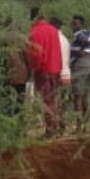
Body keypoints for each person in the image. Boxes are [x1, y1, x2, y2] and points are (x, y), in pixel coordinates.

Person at [28, 8, 63, 136]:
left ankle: (51, 129)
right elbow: (58, 52)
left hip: (43, 70)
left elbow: (36, 55)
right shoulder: (53, 30)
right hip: (55, 69)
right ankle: (56, 125)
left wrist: (34, 70)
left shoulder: (34, 32)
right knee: (53, 100)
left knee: (46, 101)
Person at [69, 15, 90, 128]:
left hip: (80, 65)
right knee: (85, 95)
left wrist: (81, 50)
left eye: (75, 23)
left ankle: (79, 125)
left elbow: (84, 41)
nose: (73, 25)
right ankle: (85, 124)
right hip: (89, 64)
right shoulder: (88, 33)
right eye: (72, 23)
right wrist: (89, 50)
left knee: (78, 96)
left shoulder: (79, 34)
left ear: (80, 25)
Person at [49, 17, 73, 130]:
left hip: (57, 73)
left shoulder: (53, 39)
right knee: (63, 101)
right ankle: (63, 125)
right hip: (67, 73)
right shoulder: (66, 39)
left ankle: (55, 127)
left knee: (54, 101)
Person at [3, 17, 30, 114]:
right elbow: (27, 58)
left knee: (8, 99)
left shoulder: (2, 38)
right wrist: (29, 73)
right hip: (21, 73)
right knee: (20, 99)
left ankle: (8, 120)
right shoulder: (22, 38)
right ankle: (19, 119)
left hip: (7, 73)